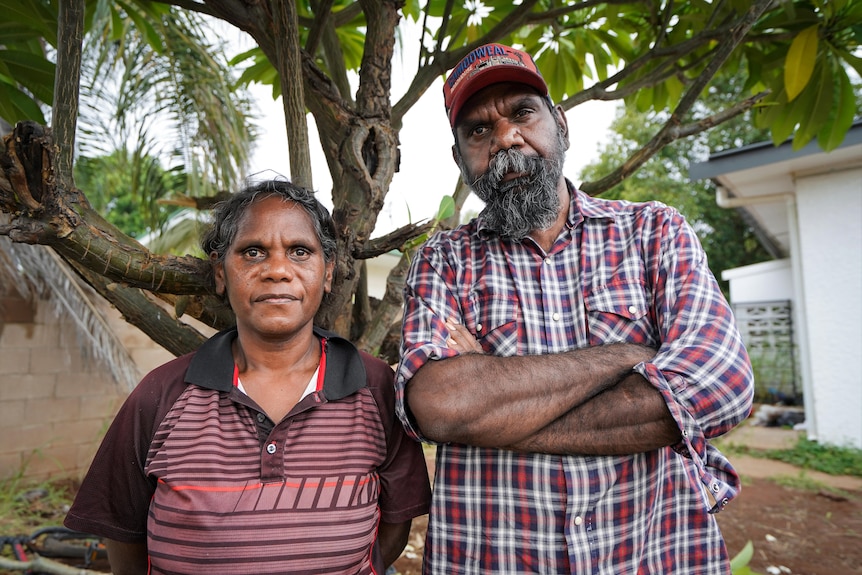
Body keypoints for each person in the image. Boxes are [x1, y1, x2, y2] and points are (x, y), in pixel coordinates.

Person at [394, 43, 754, 574]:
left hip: (654, 555)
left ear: (560, 124)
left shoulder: (653, 232)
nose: (505, 138)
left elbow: (721, 387)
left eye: (522, 112)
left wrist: (493, 411)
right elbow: (441, 407)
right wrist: (628, 357)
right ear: (459, 158)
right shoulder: (442, 261)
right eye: (477, 130)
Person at [65, 179, 431, 575]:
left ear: (328, 275)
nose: (277, 270)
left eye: (300, 252)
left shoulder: (375, 388)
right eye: (253, 252)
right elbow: (123, 533)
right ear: (220, 273)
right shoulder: (161, 395)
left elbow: (394, 527)